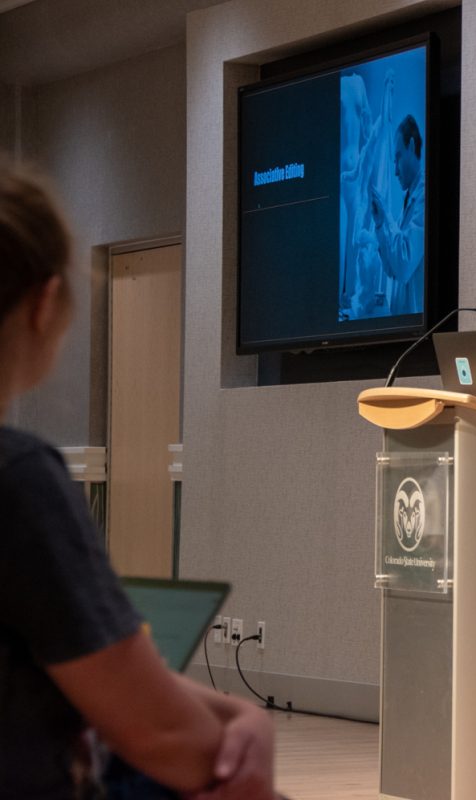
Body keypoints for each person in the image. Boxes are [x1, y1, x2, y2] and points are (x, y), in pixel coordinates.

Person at [0, 159, 276, 799]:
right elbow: (163, 738)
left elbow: (86, 666)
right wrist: (240, 740)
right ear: (44, 304)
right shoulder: (20, 481)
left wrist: (239, 712)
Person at [369, 114, 425, 316]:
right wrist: (379, 225)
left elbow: (403, 265)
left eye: (398, 157)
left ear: (411, 146)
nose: (394, 172)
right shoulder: (409, 199)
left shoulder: (425, 195)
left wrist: (387, 217)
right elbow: (391, 269)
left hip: (417, 329)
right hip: (403, 324)